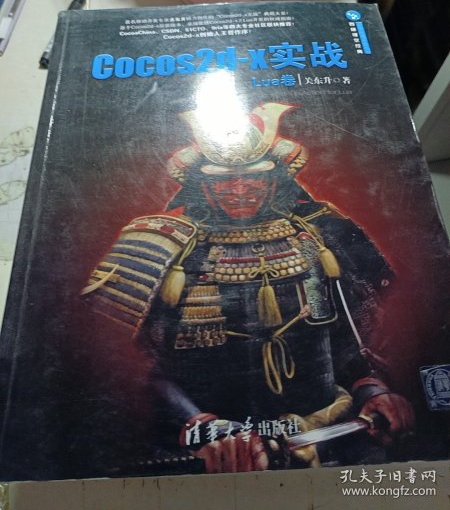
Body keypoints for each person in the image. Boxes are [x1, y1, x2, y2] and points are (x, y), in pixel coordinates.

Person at [82, 102, 414, 473]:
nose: (240, 189)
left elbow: (344, 341)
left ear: (276, 178)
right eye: (222, 179)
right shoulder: (163, 245)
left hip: (331, 436)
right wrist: (201, 427)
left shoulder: (317, 236)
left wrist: (373, 390)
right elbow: (130, 365)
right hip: (216, 454)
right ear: (200, 183)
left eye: (254, 176)